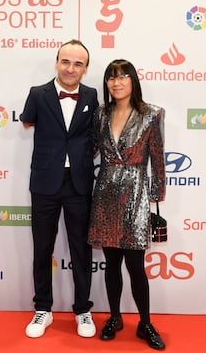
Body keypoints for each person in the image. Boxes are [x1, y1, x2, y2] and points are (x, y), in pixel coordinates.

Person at [20, 39, 99, 339]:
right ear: (56, 62)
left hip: (79, 184)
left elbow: (94, 136)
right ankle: (43, 309)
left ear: (85, 68)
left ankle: (83, 309)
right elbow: (28, 122)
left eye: (78, 63)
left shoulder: (91, 95)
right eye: (66, 61)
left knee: (81, 249)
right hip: (44, 184)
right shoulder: (37, 94)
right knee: (42, 249)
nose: (71, 68)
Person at [88, 59, 166, 350]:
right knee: (111, 264)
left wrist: (156, 193)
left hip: (136, 192)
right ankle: (115, 317)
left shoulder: (152, 115)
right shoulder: (100, 114)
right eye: (111, 78)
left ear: (133, 81)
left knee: (135, 265)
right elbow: (91, 148)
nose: (116, 82)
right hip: (105, 192)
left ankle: (145, 323)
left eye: (123, 77)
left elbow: (157, 156)